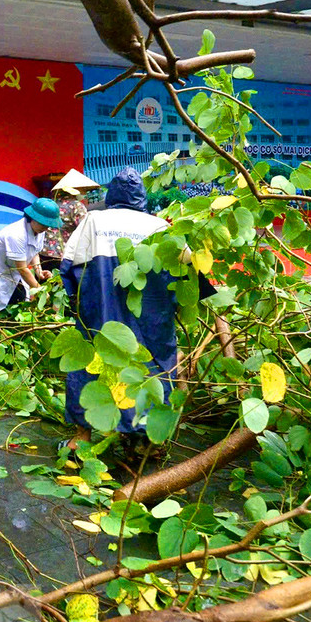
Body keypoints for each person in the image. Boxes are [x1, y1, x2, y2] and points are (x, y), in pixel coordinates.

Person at [59, 167, 224, 452]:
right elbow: (191, 278)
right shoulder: (160, 227)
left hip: (100, 313)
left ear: (111, 195)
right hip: (151, 319)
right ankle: (149, 441)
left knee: (89, 367)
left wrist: (78, 305)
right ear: (142, 198)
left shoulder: (93, 221)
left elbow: (69, 266)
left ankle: (80, 440)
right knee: (152, 368)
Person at [0, 197, 60, 325]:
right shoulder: (16, 234)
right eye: (43, 224)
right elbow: (22, 269)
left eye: (47, 225)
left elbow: (34, 251)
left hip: (12, 273)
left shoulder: (39, 231)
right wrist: (40, 290)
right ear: (32, 217)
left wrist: (39, 271)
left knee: (17, 301)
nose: (46, 228)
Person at [40, 169, 97, 270]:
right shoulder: (76, 205)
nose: (84, 192)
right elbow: (86, 229)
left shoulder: (50, 203)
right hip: (62, 254)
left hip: (43, 253)